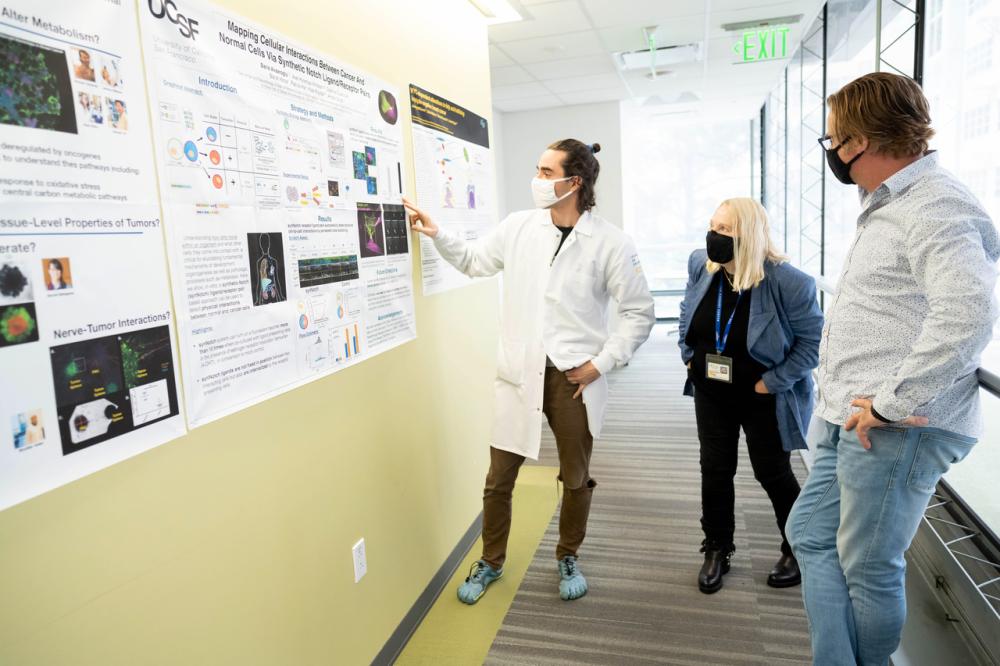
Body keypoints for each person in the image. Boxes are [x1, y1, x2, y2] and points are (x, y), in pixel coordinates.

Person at [786, 72, 999, 665]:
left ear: (862, 138)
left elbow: (967, 316)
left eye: (834, 141)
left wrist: (890, 403)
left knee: (868, 565)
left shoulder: (937, 204)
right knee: (809, 535)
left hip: (895, 424)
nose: (832, 154)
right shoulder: (888, 206)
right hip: (849, 416)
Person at [404, 139, 655, 603]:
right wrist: (437, 234)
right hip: (520, 371)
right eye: (537, 170)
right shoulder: (519, 227)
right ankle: (491, 561)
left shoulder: (611, 243)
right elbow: (476, 261)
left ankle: (567, 554)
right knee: (498, 479)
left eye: (545, 171)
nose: (537, 180)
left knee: (575, 477)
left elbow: (640, 313)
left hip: (573, 379)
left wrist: (600, 364)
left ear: (573, 182)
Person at [678, 198, 822, 594]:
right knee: (715, 469)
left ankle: (798, 547)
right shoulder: (701, 266)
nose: (713, 236)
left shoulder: (789, 283)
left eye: (725, 230)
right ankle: (717, 547)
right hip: (711, 391)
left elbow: (811, 346)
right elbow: (686, 310)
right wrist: (688, 356)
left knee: (772, 472)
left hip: (763, 397)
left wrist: (770, 382)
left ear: (750, 236)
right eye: (712, 226)